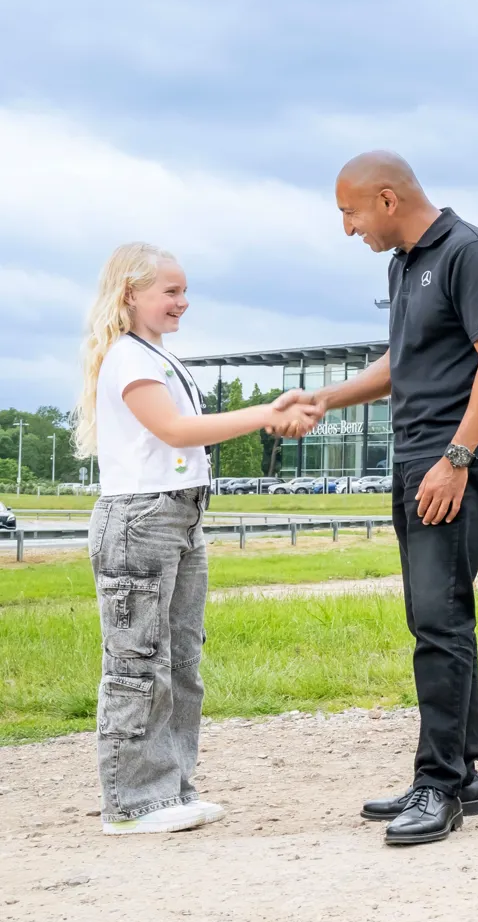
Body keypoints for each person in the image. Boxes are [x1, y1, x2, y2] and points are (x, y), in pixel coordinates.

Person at [274, 152, 478, 846]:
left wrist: (455, 458)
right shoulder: (404, 264)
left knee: (439, 621)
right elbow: (401, 361)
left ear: (386, 199)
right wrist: (326, 395)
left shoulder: (470, 253)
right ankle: (462, 776)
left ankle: (437, 784)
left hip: (455, 459)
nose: (347, 229)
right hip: (419, 457)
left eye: (349, 213)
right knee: (434, 616)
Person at [73, 242, 321, 836]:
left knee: (181, 662)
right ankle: (131, 804)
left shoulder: (157, 355)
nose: (183, 302)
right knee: (138, 663)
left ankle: (169, 790)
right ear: (130, 293)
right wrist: (264, 412)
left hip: (180, 516)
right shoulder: (129, 359)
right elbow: (176, 429)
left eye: (185, 291)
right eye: (171, 291)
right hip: (141, 519)